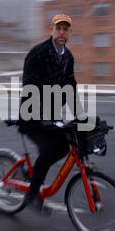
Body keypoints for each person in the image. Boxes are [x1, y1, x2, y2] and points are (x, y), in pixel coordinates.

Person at [19, 14, 85, 215]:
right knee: (48, 150)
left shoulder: (68, 57)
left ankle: (33, 175)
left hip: (51, 115)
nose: (62, 32)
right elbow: (29, 87)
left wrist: (81, 117)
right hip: (32, 115)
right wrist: (41, 114)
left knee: (63, 147)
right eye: (59, 28)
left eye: (66, 29)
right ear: (52, 30)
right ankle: (31, 195)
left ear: (70, 33)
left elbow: (70, 89)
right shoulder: (37, 53)